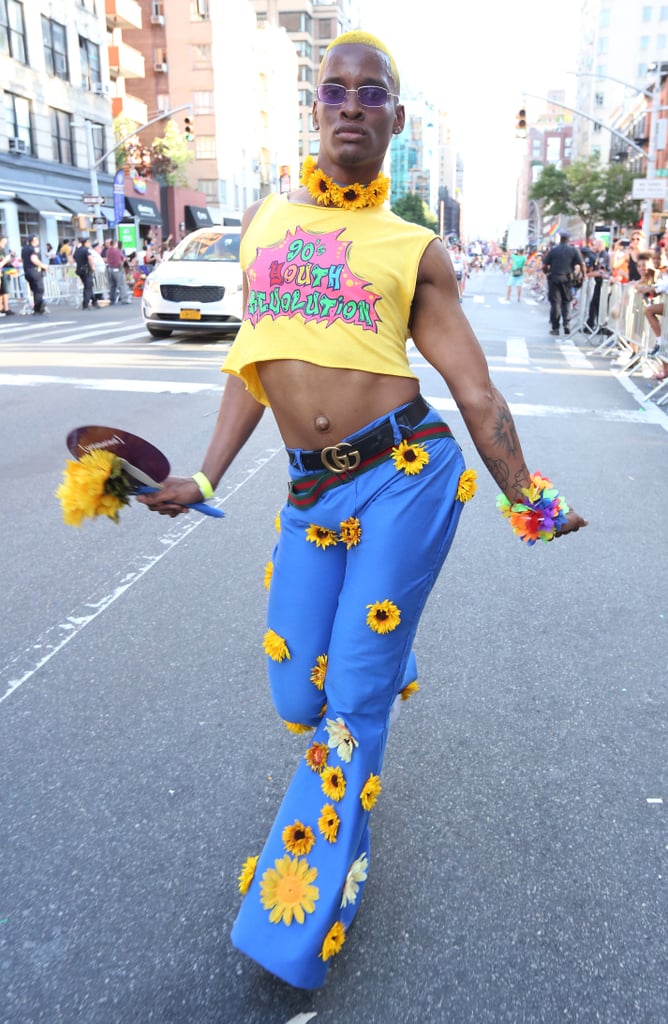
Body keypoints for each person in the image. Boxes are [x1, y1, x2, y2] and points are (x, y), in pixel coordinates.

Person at [137, 31, 587, 990]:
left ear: (394, 117)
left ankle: (292, 918)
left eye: (370, 92)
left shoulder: (414, 250)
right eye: (334, 89)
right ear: (317, 108)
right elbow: (250, 369)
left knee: (347, 712)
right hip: (309, 492)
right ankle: (379, 650)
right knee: (297, 693)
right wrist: (206, 477)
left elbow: (474, 389)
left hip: (406, 478)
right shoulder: (264, 225)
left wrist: (530, 499)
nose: (349, 104)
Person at [541, 230, 585, 336]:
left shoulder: (553, 250)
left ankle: (555, 327)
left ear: (560, 239)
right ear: (568, 240)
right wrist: (584, 275)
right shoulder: (574, 250)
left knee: (555, 303)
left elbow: (544, 265)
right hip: (567, 279)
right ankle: (566, 325)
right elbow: (582, 263)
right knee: (566, 302)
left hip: (554, 278)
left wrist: (547, 273)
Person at [585, 238, 610, 333]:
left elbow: (601, 271)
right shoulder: (599, 255)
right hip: (599, 283)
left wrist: (588, 275)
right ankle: (593, 324)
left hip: (602, 283)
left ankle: (594, 324)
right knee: (595, 305)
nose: (593, 247)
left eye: (595, 245)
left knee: (597, 305)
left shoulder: (604, 255)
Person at [21, 234, 48, 314]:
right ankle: (38, 308)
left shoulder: (24, 249)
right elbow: (34, 259)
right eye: (36, 240)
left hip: (28, 271)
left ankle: (37, 307)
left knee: (35, 290)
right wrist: (43, 266)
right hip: (35, 271)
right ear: (33, 240)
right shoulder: (33, 249)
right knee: (39, 290)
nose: (38, 241)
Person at [105, 238, 131, 304]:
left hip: (110, 269)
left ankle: (112, 299)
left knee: (112, 285)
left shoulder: (108, 251)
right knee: (122, 284)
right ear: (115, 244)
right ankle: (125, 299)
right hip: (118, 269)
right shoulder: (117, 251)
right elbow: (123, 258)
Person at [74, 237, 97, 309]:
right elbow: (90, 258)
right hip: (86, 270)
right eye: (88, 242)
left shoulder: (77, 250)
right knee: (88, 287)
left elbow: (74, 257)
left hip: (79, 270)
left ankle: (94, 302)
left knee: (89, 286)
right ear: (86, 242)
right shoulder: (86, 250)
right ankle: (85, 304)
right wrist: (93, 267)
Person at [0, 235, 16, 315]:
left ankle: (3, 307)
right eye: (4, 241)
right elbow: (3, 261)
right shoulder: (1, 250)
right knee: (4, 290)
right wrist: (7, 259)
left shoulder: (4, 250)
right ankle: (5, 308)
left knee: (4, 290)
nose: (5, 243)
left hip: (5, 271)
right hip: (3, 271)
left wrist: (12, 257)